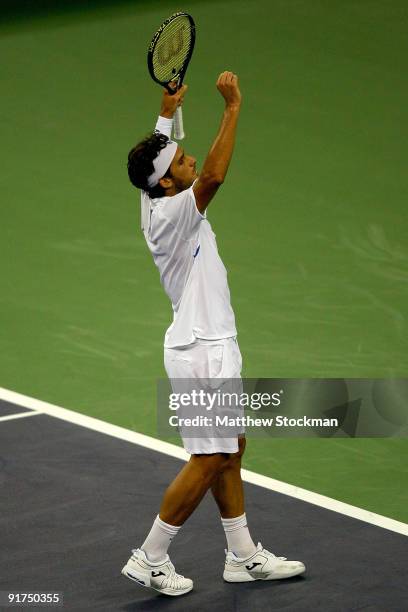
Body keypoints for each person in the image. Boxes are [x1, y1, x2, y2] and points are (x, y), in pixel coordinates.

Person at [122, 72, 305, 596]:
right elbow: (217, 176)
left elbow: (167, 158)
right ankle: (150, 555)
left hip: (208, 344)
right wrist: (231, 109)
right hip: (203, 351)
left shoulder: (153, 196)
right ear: (168, 185)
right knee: (209, 458)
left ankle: (242, 555)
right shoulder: (175, 212)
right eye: (181, 162)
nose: (191, 160)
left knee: (230, 447)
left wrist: (165, 112)